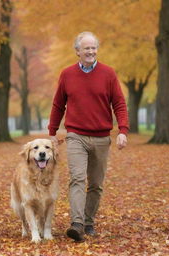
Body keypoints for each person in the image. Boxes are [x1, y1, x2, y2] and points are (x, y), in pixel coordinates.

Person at [48, 31, 129, 242]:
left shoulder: (108, 74)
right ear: (77, 51)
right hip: (76, 135)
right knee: (77, 179)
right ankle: (77, 223)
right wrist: (52, 132)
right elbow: (58, 105)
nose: (91, 51)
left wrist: (122, 130)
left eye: (94, 48)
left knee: (96, 184)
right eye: (86, 48)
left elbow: (119, 103)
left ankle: (88, 221)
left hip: (102, 137)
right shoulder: (67, 74)